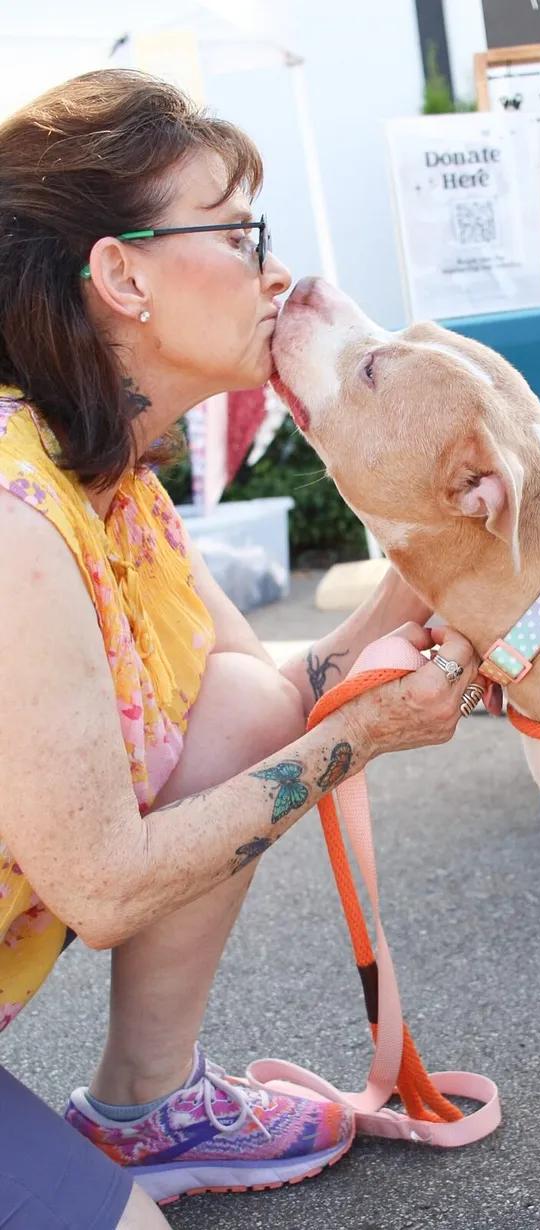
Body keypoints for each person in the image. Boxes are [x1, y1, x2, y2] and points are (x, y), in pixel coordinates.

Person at [0, 69, 482, 1229]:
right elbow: (103, 885)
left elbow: (279, 698)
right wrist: (360, 737)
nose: (278, 271)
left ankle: (147, 1105)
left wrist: (436, 571)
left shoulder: (108, 475)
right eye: (240, 229)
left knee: (244, 704)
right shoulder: (15, 521)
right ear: (121, 274)